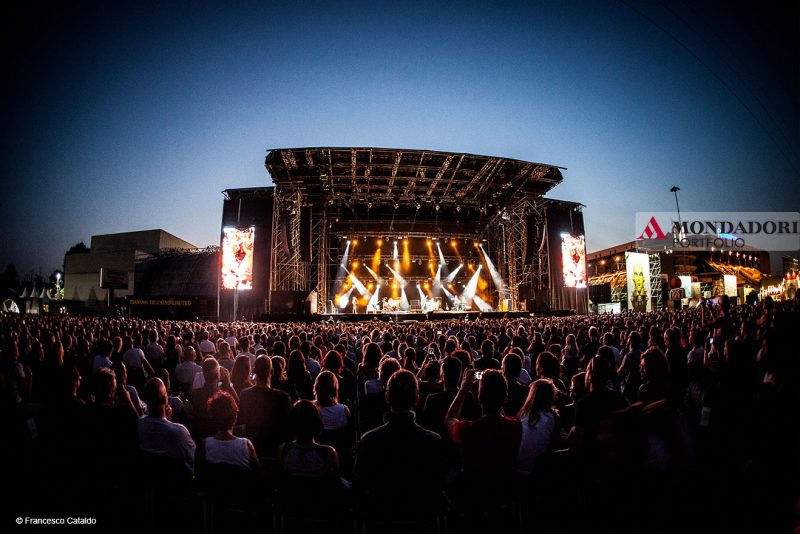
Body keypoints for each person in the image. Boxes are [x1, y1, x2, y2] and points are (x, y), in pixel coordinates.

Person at [355, 370, 444, 507]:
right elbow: (438, 483)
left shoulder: (368, 441)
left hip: (381, 514)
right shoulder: (433, 441)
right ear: (417, 399)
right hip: (421, 514)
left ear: (387, 397)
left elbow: (360, 484)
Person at [237, 355, 292, 459]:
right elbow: (287, 426)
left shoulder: (245, 394)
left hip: (253, 447)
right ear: (271, 371)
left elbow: (241, 420)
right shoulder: (283, 397)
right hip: (274, 449)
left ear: (254, 370)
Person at [138, 377, 196, 473]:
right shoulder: (179, 431)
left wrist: (166, 421)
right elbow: (192, 456)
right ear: (165, 399)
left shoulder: (139, 424)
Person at [517, 379, 564, 476]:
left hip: (519, 468)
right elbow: (555, 443)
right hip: (540, 469)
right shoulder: (551, 416)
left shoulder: (522, 415)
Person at [203, 391, 260, 472]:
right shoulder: (246, 445)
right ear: (235, 416)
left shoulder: (205, 445)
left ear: (212, 416)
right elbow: (260, 476)